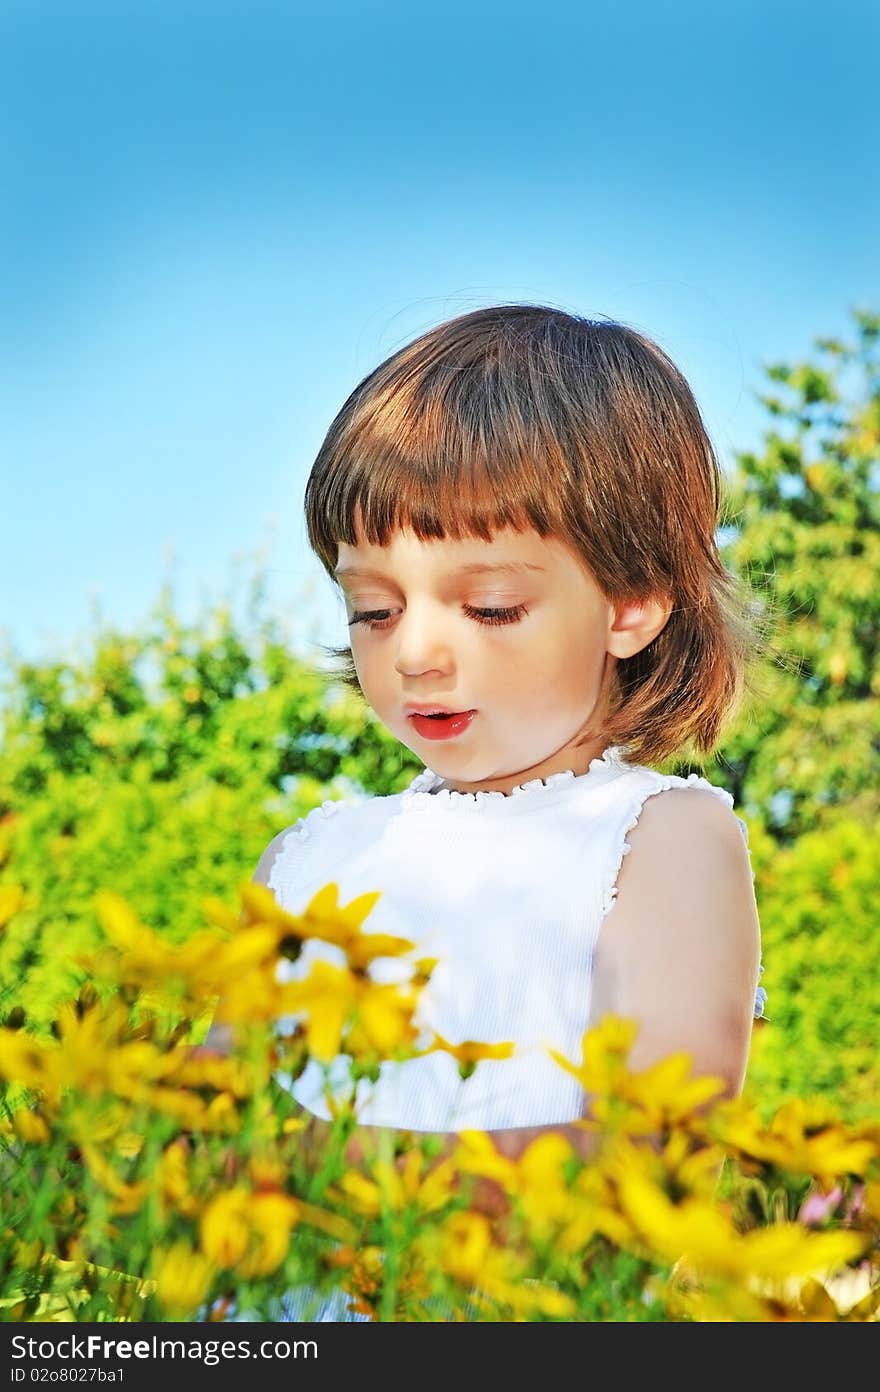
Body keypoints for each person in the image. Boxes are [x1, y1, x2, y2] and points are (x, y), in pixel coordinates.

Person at [205, 303, 770, 1320]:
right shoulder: (309, 853)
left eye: (490, 606)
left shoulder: (661, 836)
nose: (414, 651)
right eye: (372, 609)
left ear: (631, 601)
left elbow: (650, 1159)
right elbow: (194, 1115)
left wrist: (310, 1172)